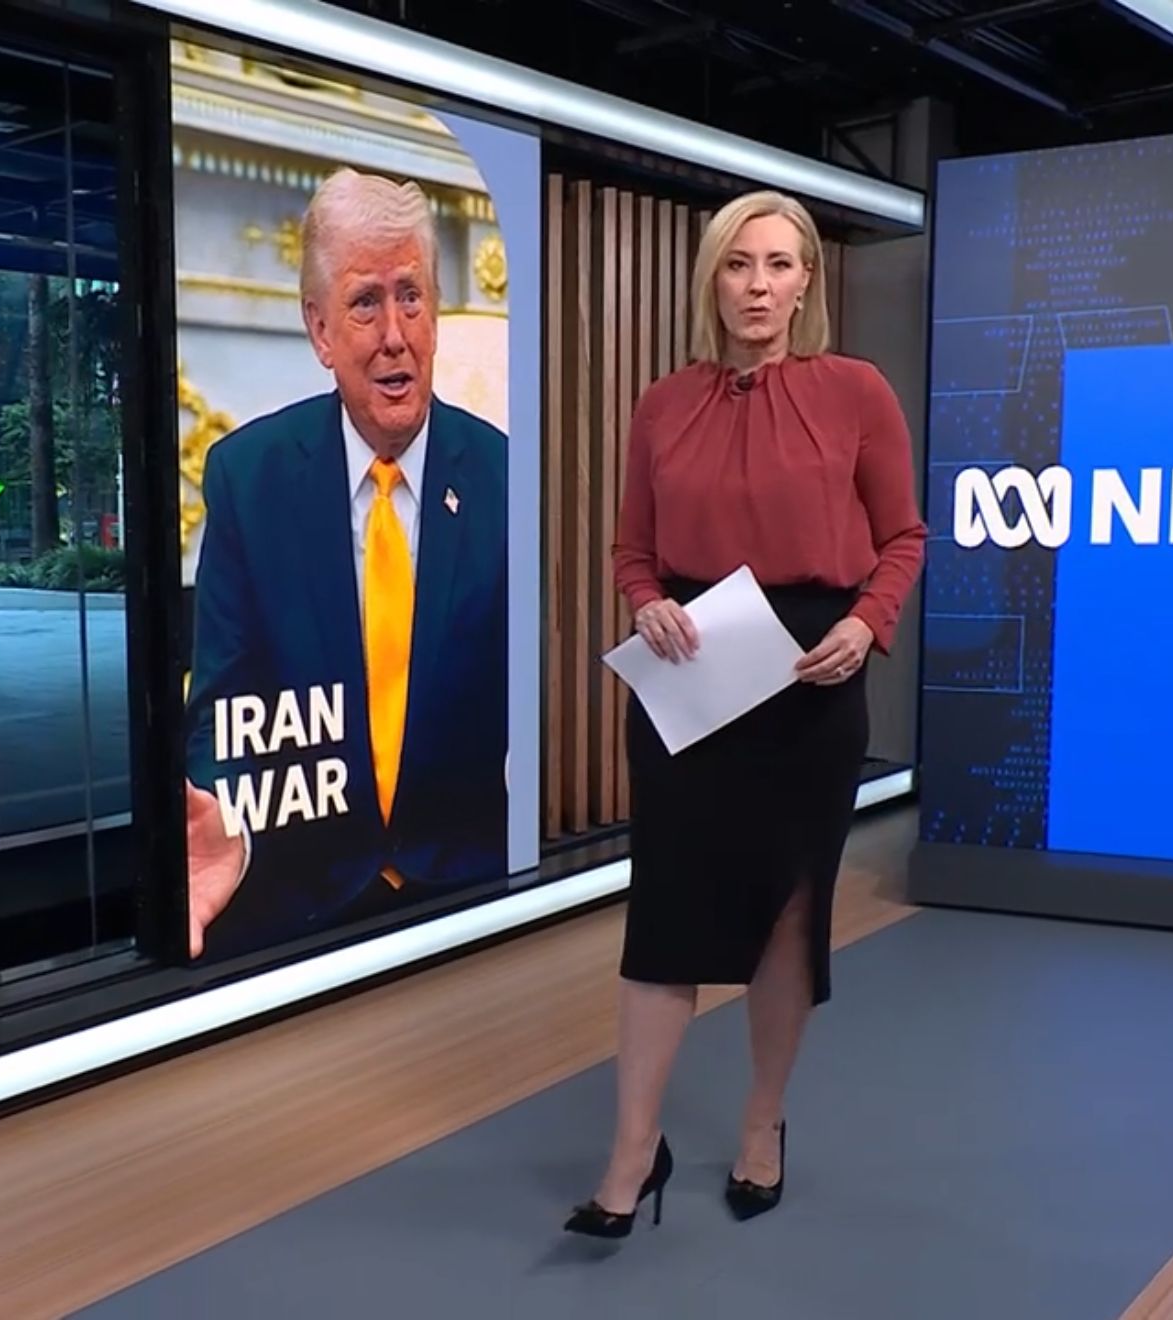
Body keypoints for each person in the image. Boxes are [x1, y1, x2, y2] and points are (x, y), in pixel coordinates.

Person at [564, 190, 927, 1238]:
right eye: (738, 264)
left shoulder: (855, 391)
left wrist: (866, 623)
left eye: (777, 265)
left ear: (806, 280)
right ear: (712, 280)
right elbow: (633, 549)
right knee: (666, 916)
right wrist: (645, 601)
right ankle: (634, 1153)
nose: (757, 286)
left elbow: (903, 536)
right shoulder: (663, 403)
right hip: (692, 671)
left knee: (788, 917)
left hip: (812, 673)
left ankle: (763, 1122)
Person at [180, 168, 512, 961]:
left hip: (471, 895)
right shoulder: (248, 478)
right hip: (300, 901)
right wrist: (229, 833)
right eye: (366, 302)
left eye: (412, 296)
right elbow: (224, 709)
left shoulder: (509, 478)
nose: (395, 334)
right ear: (320, 330)